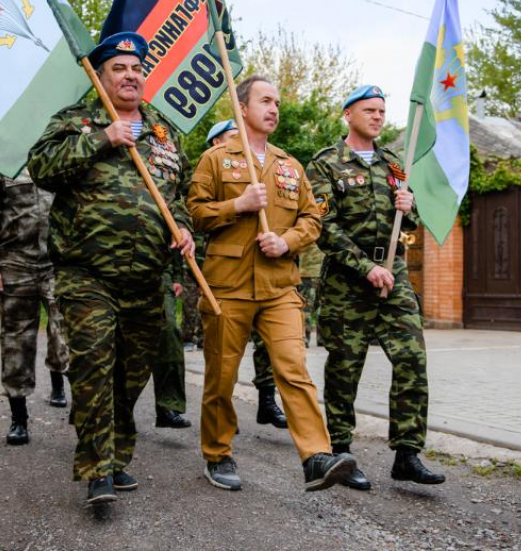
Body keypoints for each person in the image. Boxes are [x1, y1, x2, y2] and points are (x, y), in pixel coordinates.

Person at [27, 32, 195, 506]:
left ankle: (117, 457)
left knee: (131, 373)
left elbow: (175, 198)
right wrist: (101, 139)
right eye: (119, 68)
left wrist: (182, 229)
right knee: (94, 365)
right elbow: (41, 167)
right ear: (100, 75)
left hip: (147, 278)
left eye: (137, 68)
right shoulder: (78, 120)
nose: (131, 75)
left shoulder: (163, 131)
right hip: (87, 272)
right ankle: (96, 467)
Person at [188, 75, 355, 492]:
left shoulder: (288, 165)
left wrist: (287, 241)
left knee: (294, 369)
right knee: (222, 377)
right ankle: (218, 451)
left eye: (277, 102)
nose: (274, 109)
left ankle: (316, 456)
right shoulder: (216, 158)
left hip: (280, 287)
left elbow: (312, 218)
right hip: (227, 286)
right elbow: (193, 212)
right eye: (265, 101)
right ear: (241, 108)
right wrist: (238, 205)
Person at [306, 84, 445, 491]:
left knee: (411, 359)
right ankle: (341, 450)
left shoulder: (393, 162)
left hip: (394, 271)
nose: (378, 117)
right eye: (369, 110)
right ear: (348, 115)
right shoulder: (326, 163)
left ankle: (407, 453)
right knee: (346, 367)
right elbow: (323, 228)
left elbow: (411, 217)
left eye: (382, 111)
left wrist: (410, 206)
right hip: (349, 279)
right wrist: (365, 267)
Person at [0, 166, 70, 447]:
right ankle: (19, 418)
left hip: (58, 263)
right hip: (15, 263)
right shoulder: (0, 163)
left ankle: (62, 387)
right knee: (17, 340)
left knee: (67, 331)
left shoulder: (57, 155)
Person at [205, 120, 288, 430]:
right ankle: (221, 419)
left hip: (266, 273)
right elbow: (198, 214)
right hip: (224, 272)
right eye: (231, 137)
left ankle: (267, 400)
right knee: (225, 357)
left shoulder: (268, 165)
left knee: (272, 347)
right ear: (216, 144)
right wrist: (239, 204)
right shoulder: (214, 168)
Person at [152, 257, 192, 429]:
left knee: (169, 335)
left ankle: (168, 405)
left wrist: (177, 276)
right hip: (112, 271)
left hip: (160, 274)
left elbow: (176, 236)